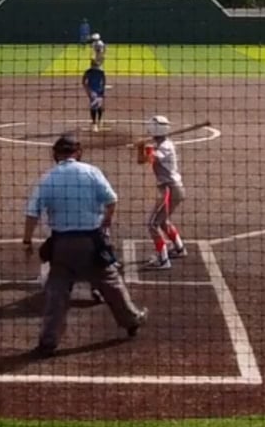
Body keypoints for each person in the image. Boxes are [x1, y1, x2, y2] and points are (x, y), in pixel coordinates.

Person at [20, 132, 146, 356]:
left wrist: (27, 241)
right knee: (111, 283)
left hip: (62, 245)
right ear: (78, 152)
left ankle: (48, 341)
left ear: (55, 154)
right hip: (91, 241)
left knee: (56, 293)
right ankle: (131, 321)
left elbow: (32, 213)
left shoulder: (48, 177)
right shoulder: (91, 171)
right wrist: (106, 220)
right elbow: (112, 199)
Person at [140, 115, 188, 269]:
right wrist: (142, 147)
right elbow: (141, 160)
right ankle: (179, 248)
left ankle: (163, 260)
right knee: (162, 221)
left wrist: (144, 147)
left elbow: (149, 159)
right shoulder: (162, 143)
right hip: (173, 188)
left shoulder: (165, 146)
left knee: (153, 224)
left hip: (170, 189)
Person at [82, 63, 107, 131]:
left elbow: (104, 82)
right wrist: (88, 90)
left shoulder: (101, 72)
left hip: (99, 91)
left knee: (99, 106)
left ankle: (99, 121)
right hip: (92, 91)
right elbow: (83, 82)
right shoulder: (88, 72)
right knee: (93, 106)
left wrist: (102, 90)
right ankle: (94, 124)